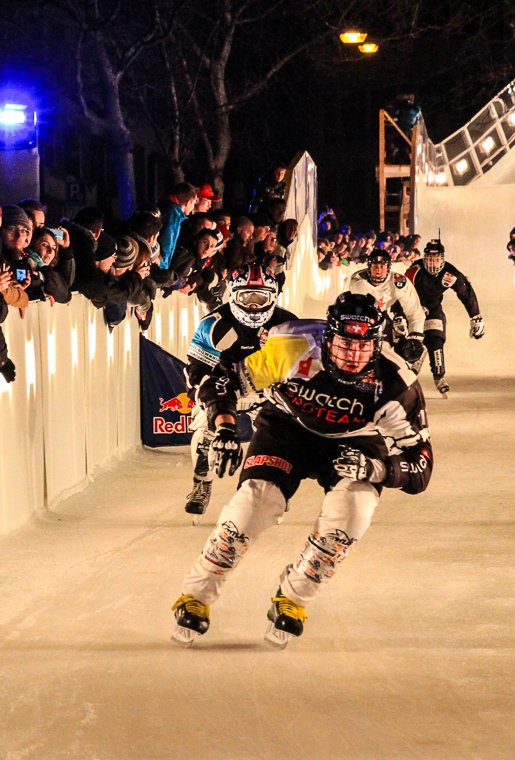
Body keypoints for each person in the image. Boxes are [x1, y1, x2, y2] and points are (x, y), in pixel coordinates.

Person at [171, 292, 433, 648]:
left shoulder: (397, 383)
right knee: (254, 504)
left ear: (379, 344)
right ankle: (196, 595)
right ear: (327, 338)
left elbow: (421, 465)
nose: (353, 356)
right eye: (344, 344)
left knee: (351, 514)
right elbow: (223, 382)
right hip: (287, 427)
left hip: (355, 441)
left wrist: (376, 470)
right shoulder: (293, 345)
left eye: (363, 346)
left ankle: (295, 598)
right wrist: (226, 427)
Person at [182, 264, 297, 521]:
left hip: (267, 390)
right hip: (223, 389)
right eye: (247, 297)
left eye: (261, 298)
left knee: (279, 437)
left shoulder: (288, 324)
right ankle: (202, 483)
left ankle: (272, 488)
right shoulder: (213, 325)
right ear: (233, 295)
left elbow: (300, 369)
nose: (254, 306)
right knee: (205, 435)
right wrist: (208, 402)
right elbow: (198, 372)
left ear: (274, 297)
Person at [405, 239, 482, 396]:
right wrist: (399, 316)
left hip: (433, 309)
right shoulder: (414, 270)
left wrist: (476, 317)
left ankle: (439, 376)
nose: (433, 264)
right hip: (413, 311)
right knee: (408, 344)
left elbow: (466, 293)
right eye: (429, 259)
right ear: (424, 258)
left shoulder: (450, 273)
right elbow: (401, 293)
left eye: (437, 259)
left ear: (443, 259)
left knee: (436, 340)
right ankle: (408, 372)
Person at [343, 248, 424, 363]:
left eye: (383, 267)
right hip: (360, 319)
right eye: (376, 266)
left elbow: (414, 312)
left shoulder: (399, 282)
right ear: (369, 267)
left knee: (389, 351)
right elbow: (344, 307)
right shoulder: (356, 282)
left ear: (389, 268)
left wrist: (415, 336)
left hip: (386, 316)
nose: (379, 271)